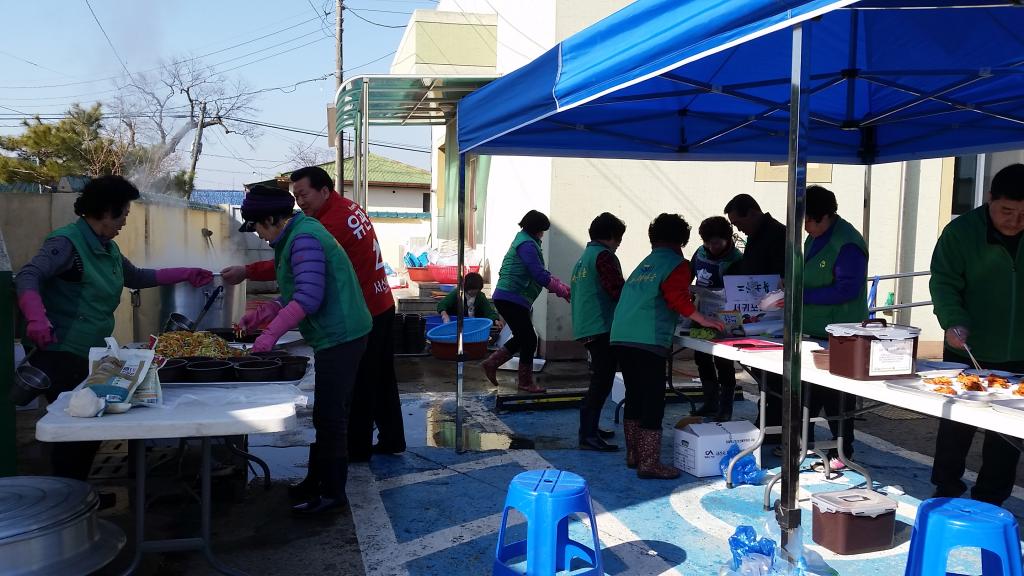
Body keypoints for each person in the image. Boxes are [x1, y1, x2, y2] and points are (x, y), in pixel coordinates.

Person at [16, 175, 212, 480]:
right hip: (62, 351)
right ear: (106, 211)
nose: (123, 222)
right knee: (74, 432)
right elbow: (29, 275)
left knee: (91, 428)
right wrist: (36, 317)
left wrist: (185, 272)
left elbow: (136, 277)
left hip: (92, 353)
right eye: (122, 214)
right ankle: (71, 498)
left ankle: (80, 495)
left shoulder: (106, 247)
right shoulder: (66, 243)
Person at [222, 166, 405, 467]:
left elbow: (300, 279)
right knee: (379, 378)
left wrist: (249, 276)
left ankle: (356, 450)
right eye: (295, 196)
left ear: (324, 190)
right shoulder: (345, 208)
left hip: (358, 312)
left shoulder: (324, 226)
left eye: (304, 194)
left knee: (356, 386)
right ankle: (392, 439)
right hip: (378, 301)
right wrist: (270, 310)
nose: (300, 202)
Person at [237, 185, 372, 515]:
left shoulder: (304, 238)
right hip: (334, 332)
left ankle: (333, 493)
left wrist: (268, 337)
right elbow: (300, 289)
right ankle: (316, 481)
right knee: (325, 415)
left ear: (271, 218)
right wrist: (266, 312)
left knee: (331, 416)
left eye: (256, 226)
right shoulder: (295, 235)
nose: (257, 234)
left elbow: (309, 299)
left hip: (342, 334)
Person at [929, 163, 1024, 506]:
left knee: (1007, 433)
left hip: (1019, 351)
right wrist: (953, 320)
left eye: (1023, 214)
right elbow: (943, 281)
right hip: (968, 348)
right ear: (989, 200)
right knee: (957, 426)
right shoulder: (961, 233)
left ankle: (991, 498)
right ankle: (946, 488)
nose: (1014, 221)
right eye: (1007, 211)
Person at [611, 214, 725, 479]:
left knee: (636, 395)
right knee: (653, 399)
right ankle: (649, 463)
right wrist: (704, 319)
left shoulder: (645, 264)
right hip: (648, 339)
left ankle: (634, 454)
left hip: (621, 335)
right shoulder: (677, 264)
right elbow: (676, 297)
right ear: (682, 240)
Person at [799, 185, 868, 471]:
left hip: (841, 332)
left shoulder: (847, 243)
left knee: (837, 398)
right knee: (807, 395)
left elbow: (847, 289)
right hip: (812, 329)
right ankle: (804, 445)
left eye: (809, 221)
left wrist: (802, 295)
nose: (805, 227)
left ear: (826, 217)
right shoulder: (813, 238)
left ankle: (844, 451)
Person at [481, 210, 571, 394]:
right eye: (542, 230)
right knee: (529, 339)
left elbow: (542, 273)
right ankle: (525, 382)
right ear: (536, 229)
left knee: (523, 337)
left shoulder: (525, 242)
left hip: (509, 297)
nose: (543, 234)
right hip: (511, 297)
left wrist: (563, 287)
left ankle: (492, 363)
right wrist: (562, 292)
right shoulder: (527, 245)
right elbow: (539, 275)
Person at [724, 194, 787, 445]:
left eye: (739, 223)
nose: (738, 229)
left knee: (775, 379)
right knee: (764, 378)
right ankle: (767, 421)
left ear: (752, 212)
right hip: (754, 318)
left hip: (774, 319)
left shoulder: (779, 235)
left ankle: (775, 426)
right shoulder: (754, 237)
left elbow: (779, 276)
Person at [571, 212, 627, 452]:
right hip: (602, 325)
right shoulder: (604, 257)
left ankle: (591, 428)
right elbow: (617, 290)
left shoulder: (584, 257)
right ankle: (588, 435)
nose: (618, 245)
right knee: (601, 381)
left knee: (599, 379)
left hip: (587, 325)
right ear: (613, 236)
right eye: (619, 240)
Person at [690, 216, 742, 421]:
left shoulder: (736, 260)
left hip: (726, 318)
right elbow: (689, 276)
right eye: (707, 243)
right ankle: (710, 401)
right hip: (702, 314)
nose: (711, 248)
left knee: (724, 361)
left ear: (728, 239)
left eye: (717, 243)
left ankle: (725, 407)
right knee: (701, 357)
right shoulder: (700, 253)